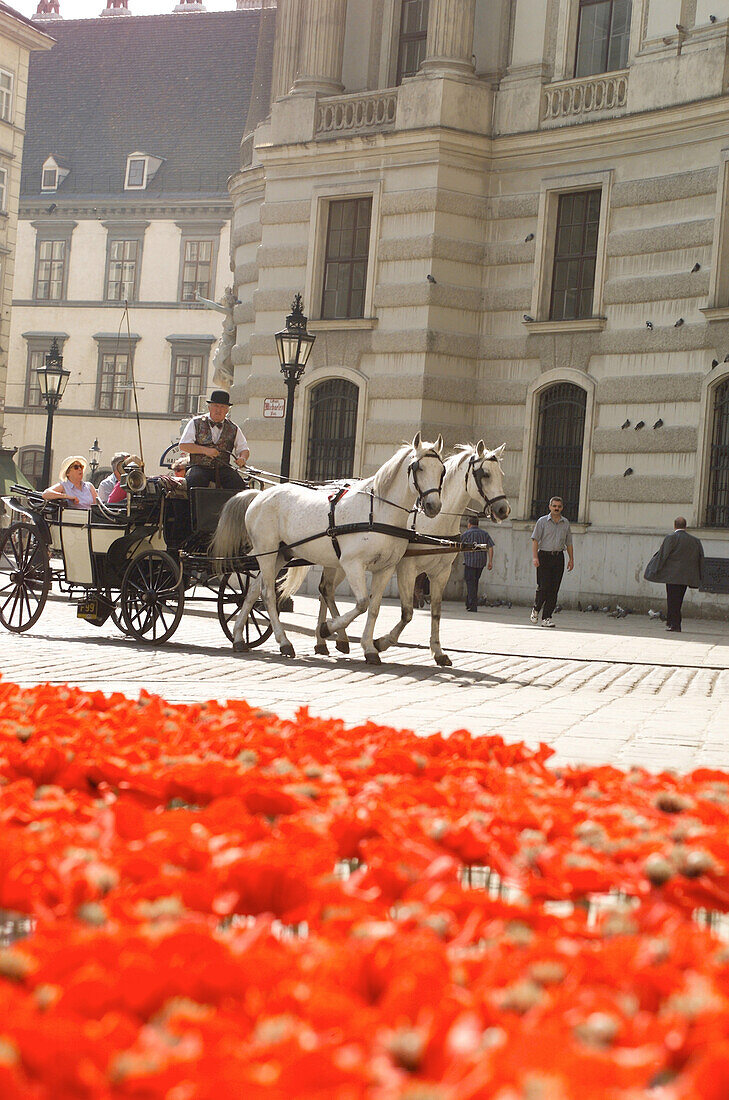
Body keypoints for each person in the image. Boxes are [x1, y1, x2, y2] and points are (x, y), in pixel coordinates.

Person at [178, 389, 250, 491]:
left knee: (237, 483)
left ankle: (229, 507)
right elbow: (184, 445)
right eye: (216, 406)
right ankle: (196, 507)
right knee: (196, 480)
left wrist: (242, 458)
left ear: (227, 410)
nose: (218, 410)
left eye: (222, 407)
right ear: (209, 407)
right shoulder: (195, 422)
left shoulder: (233, 428)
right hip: (199, 467)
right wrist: (205, 451)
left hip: (222, 468)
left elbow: (244, 449)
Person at [644, 517, 704, 633]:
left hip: (672, 576)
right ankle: (672, 621)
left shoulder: (671, 538)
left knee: (672, 600)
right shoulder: (694, 540)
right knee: (678, 600)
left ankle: (675, 624)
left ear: (675, 526)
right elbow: (700, 558)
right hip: (686, 576)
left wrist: (654, 569)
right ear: (685, 526)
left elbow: (663, 555)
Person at [530, 496, 573, 628]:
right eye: (554, 506)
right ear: (550, 507)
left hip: (558, 557)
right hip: (544, 556)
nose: (556, 508)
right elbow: (535, 540)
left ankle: (546, 617)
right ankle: (536, 609)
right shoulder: (542, 521)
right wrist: (535, 557)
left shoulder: (565, 523)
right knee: (544, 587)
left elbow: (569, 543)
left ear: (562, 508)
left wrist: (571, 559)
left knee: (554, 589)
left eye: (559, 506)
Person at [461, 515, 494, 613]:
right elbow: (491, 547)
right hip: (481, 563)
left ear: (469, 524)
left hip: (469, 562)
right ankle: (469, 602)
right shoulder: (484, 534)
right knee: (474, 582)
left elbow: (459, 545)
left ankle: (472, 605)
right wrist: (490, 561)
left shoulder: (466, 534)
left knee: (470, 583)